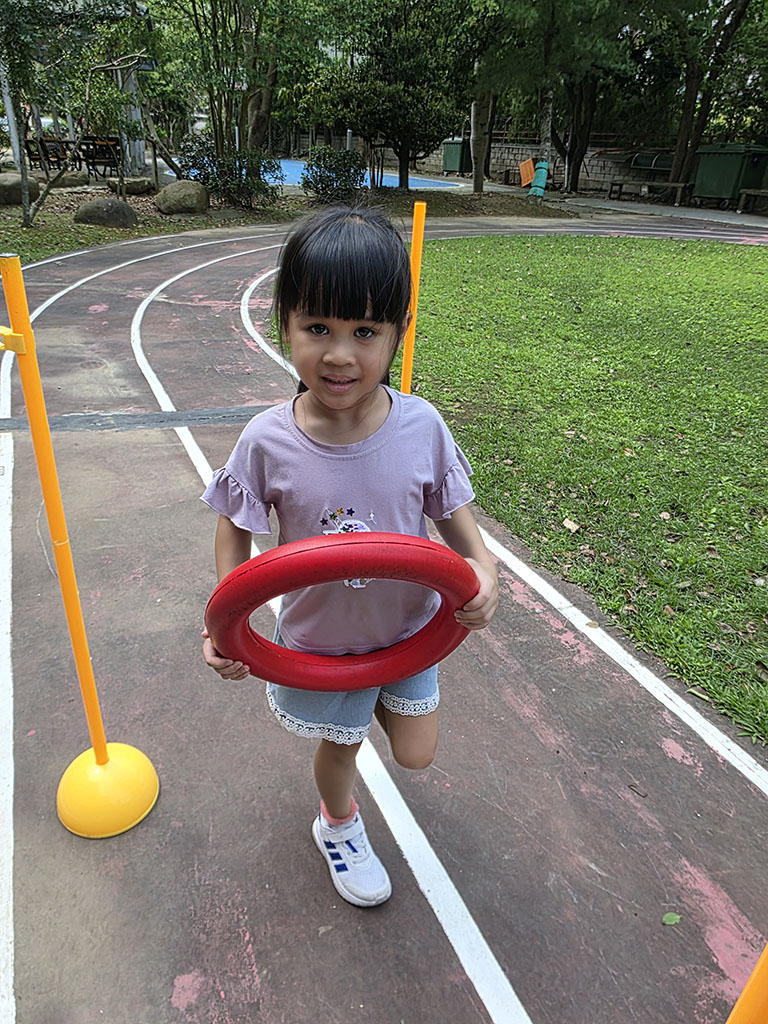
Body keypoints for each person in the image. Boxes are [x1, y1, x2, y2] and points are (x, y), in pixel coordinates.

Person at [201, 206, 498, 908]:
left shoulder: (421, 426)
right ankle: (337, 823)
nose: (339, 355)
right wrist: (225, 622)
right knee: (342, 747)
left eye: (364, 331)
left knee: (417, 754)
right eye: (318, 328)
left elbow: (456, 517)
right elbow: (233, 528)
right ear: (286, 326)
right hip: (323, 642)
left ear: (398, 331)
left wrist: (483, 571)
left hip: (409, 630)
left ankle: (376, 698)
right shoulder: (267, 440)